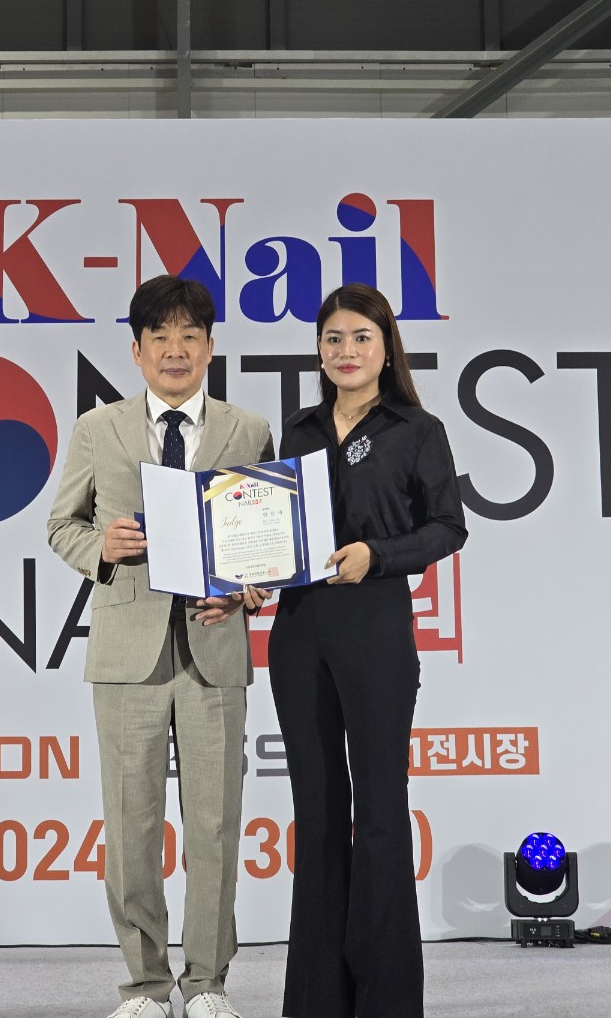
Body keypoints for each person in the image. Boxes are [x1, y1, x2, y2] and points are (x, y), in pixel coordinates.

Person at [48, 275, 273, 1018]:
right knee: (131, 826)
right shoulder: (98, 428)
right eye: (160, 337)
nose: (175, 350)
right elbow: (62, 525)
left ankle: (207, 984)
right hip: (127, 652)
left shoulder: (248, 430)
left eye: (189, 337)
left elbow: (265, 545)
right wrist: (102, 549)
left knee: (215, 826)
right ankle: (144, 986)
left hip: (215, 647)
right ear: (137, 351)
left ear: (210, 348)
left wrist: (249, 589)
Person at [268, 284, 467, 1018]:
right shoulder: (299, 429)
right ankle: (317, 998)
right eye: (333, 339)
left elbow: (448, 527)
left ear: (386, 349)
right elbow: (277, 529)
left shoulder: (417, 429)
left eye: (360, 338)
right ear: (318, 351)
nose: (345, 351)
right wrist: (252, 574)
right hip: (299, 630)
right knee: (317, 809)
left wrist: (377, 555)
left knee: (381, 806)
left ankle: (387, 999)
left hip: (376, 623)